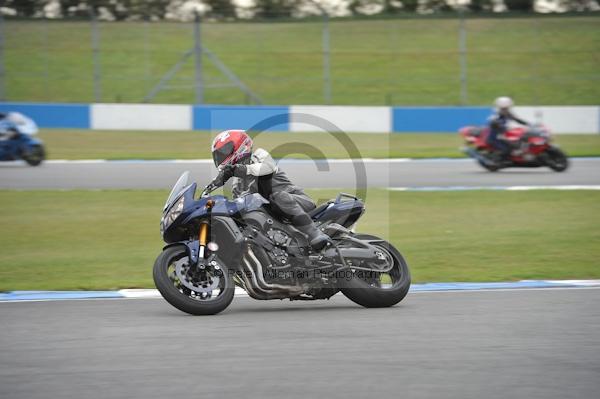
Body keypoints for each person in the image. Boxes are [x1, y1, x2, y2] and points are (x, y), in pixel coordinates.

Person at [209, 129, 329, 251]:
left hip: (297, 201)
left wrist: (236, 170)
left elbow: (267, 168)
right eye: (218, 155)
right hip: (274, 217)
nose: (221, 157)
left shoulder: (258, 155)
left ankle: (315, 234)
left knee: (278, 197)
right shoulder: (237, 183)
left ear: (240, 147)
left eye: (224, 152)